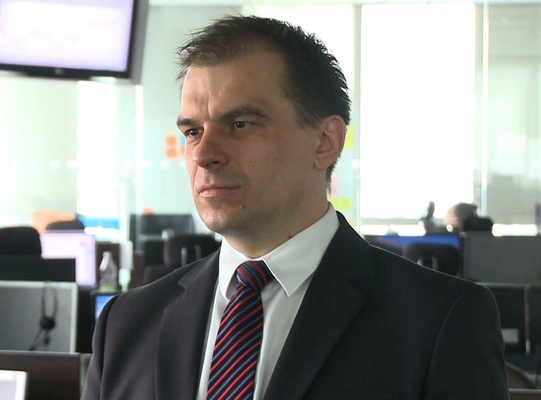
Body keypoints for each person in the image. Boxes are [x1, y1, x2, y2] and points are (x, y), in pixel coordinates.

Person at [83, 16, 507, 399]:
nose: (204, 154)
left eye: (240, 124)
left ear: (325, 142)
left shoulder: (438, 320)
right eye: (193, 131)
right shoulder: (127, 322)